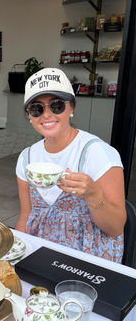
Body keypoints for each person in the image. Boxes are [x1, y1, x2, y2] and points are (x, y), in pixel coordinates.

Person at [15, 67, 126, 263]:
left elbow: (116, 227)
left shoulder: (98, 154)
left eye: (57, 106)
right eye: (37, 108)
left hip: (87, 261)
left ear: (71, 108)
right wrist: (15, 255)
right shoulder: (26, 158)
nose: (46, 114)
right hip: (39, 255)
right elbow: (26, 215)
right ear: (29, 115)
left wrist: (93, 194)